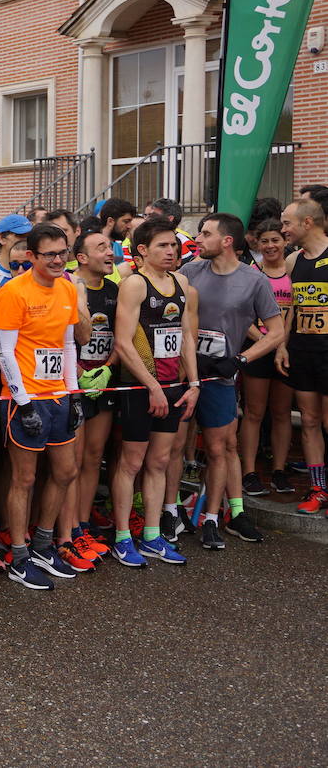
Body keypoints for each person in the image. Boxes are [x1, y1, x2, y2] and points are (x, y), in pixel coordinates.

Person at [182, 213, 281, 548]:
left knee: (221, 447)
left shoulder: (253, 281)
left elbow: (276, 333)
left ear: (226, 241)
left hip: (220, 374)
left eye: (206, 233)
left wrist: (240, 359)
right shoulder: (191, 270)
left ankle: (224, 514)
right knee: (169, 451)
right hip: (183, 372)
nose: (199, 238)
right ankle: (170, 512)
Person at [0, 223, 84, 590]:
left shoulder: (67, 288)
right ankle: (18, 554)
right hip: (25, 398)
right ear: (31, 256)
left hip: (58, 395)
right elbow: (4, 351)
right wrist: (23, 401)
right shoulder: (14, 292)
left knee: (65, 472)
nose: (59, 260)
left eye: (63, 252)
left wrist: (74, 393)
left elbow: (67, 345)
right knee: (24, 478)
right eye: (50, 254)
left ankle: (44, 544)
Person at [111, 218, 200, 567]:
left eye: (174, 245)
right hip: (139, 386)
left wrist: (192, 384)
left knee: (160, 461)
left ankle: (151, 534)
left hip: (172, 385)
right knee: (131, 462)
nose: (171, 251)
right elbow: (123, 340)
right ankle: (121, 537)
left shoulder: (182, 280)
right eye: (163, 245)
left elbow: (187, 337)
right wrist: (152, 387)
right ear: (143, 250)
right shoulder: (134, 284)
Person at [67, 229, 118, 562]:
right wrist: (78, 374)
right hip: (75, 381)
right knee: (71, 462)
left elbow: (122, 336)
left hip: (105, 381)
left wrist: (109, 367)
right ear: (82, 257)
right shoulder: (70, 286)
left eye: (110, 246)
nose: (110, 251)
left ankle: (82, 526)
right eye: (101, 247)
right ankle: (68, 530)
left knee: (93, 457)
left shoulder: (115, 289)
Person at [278, 198, 328, 513]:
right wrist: (282, 345)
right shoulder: (294, 260)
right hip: (302, 349)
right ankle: (318, 489)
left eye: (287, 223)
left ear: (307, 223)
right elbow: (291, 310)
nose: (283, 229)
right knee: (309, 420)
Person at [239, 219, 295, 495]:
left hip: (287, 349)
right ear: (257, 244)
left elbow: (295, 311)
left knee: (282, 413)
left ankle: (279, 471)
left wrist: (280, 343)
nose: (271, 245)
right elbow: (244, 315)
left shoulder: (294, 268)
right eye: (265, 241)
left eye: (276, 240)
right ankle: (249, 472)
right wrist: (266, 342)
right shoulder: (252, 272)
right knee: (254, 413)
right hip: (258, 348)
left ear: (284, 242)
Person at [0, 214, 32, 285]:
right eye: (20, 235)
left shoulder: (36, 267)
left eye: (29, 236)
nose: (26, 240)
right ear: (1, 238)